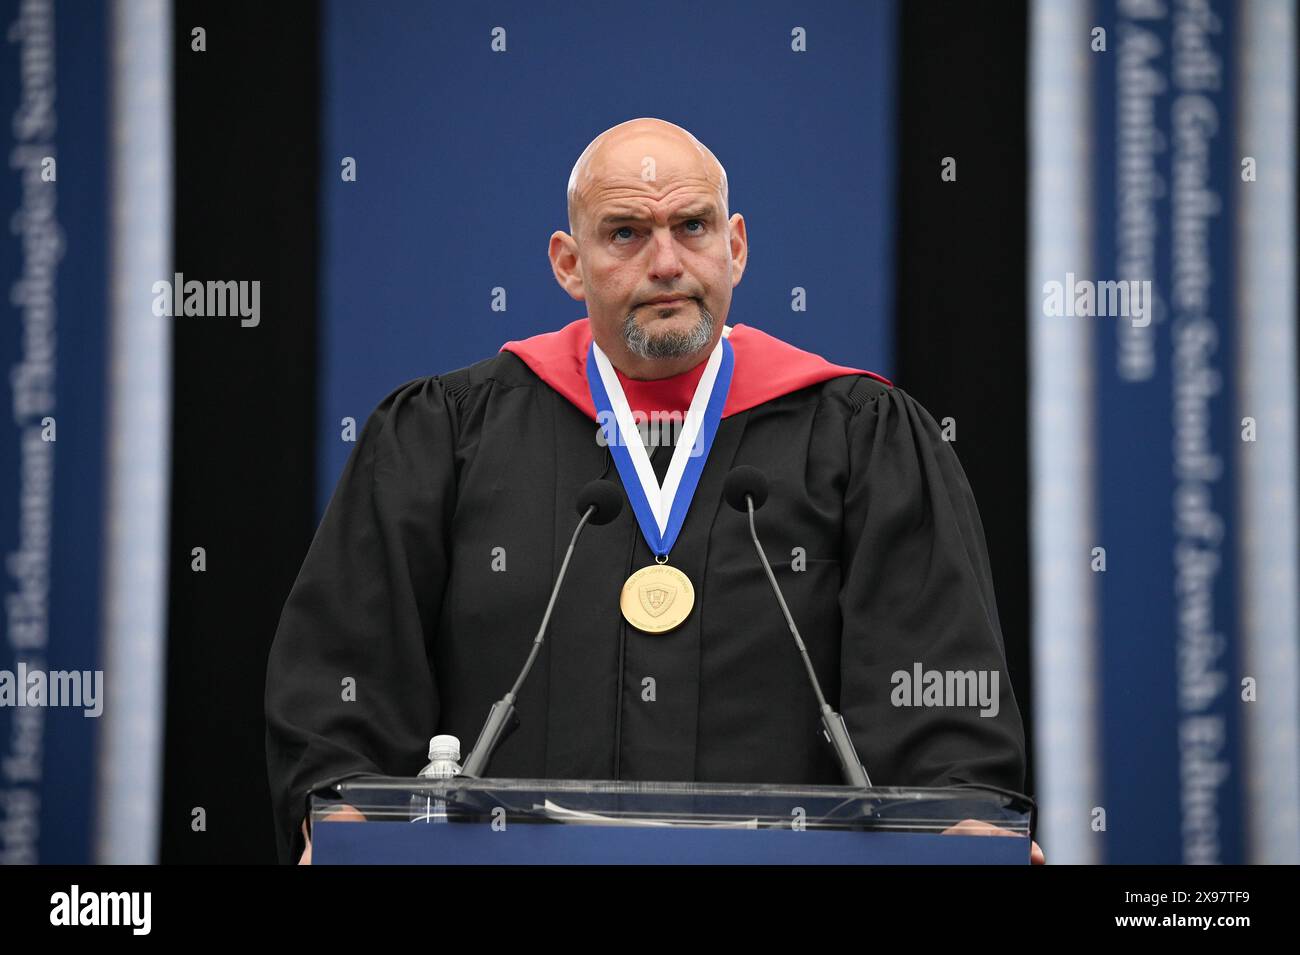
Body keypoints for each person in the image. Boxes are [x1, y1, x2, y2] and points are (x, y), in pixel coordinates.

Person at [266, 118, 1042, 865]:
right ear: (569, 264)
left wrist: (964, 819)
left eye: (693, 227)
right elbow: (347, 685)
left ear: (734, 247)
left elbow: (937, 696)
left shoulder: (860, 439)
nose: (666, 261)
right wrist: (341, 820)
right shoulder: (445, 438)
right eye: (627, 233)